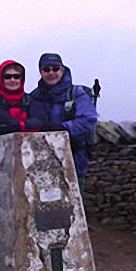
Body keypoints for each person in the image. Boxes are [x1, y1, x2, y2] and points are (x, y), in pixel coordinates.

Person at [0, 60, 41, 244]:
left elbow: (39, 122)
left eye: (16, 76)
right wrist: (24, 126)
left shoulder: (29, 100)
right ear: (0, 78)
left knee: (24, 205)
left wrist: (16, 126)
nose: (12, 80)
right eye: (8, 76)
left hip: (24, 161)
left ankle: (23, 248)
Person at [30, 53, 97, 194]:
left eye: (55, 68)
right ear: (40, 72)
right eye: (46, 69)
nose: (51, 73)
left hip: (73, 162)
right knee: (44, 208)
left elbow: (88, 120)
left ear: (62, 70)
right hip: (41, 163)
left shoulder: (76, 94)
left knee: (73, 211)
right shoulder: (33, 97)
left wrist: (63, 128)